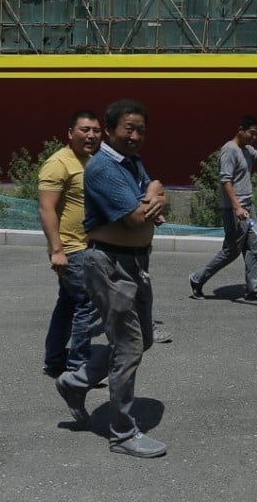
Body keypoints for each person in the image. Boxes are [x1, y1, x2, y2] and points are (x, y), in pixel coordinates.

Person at [54, 99, 169, 458]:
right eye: (128, 129)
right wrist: (153, 202)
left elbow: (156, 186)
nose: (135, 136)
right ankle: (121, 433)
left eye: (141, 130)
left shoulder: (131, 161)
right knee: (129, 346)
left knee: (144, 339)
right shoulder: (103, 168)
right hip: (110, 266)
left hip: (136, 264)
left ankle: (76, 381)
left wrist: (155, 195)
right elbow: (136, 219)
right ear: (110, 130)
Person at [189, 116, 257, 302]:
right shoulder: (229, 150)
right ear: (241, 130)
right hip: (234, 209)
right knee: (231, 250)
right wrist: (237, 207)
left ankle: (253, 290)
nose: (254, 137)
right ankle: (197, 278)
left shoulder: (247, 149)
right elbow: (225, 181)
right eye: (251, 133)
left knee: (255, 247)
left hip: (248, 207)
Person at [38, 110, 101, 377]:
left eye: (96, 131)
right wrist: (57, 250)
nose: (91, 135)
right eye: (85, 130)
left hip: (87, 246)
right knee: (87, 303)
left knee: (68, 304)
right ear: (70, 133)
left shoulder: (89, 160)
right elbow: (46, 209)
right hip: (71, 249)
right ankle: (79, 367)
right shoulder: (58, 163)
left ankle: (54, 360)